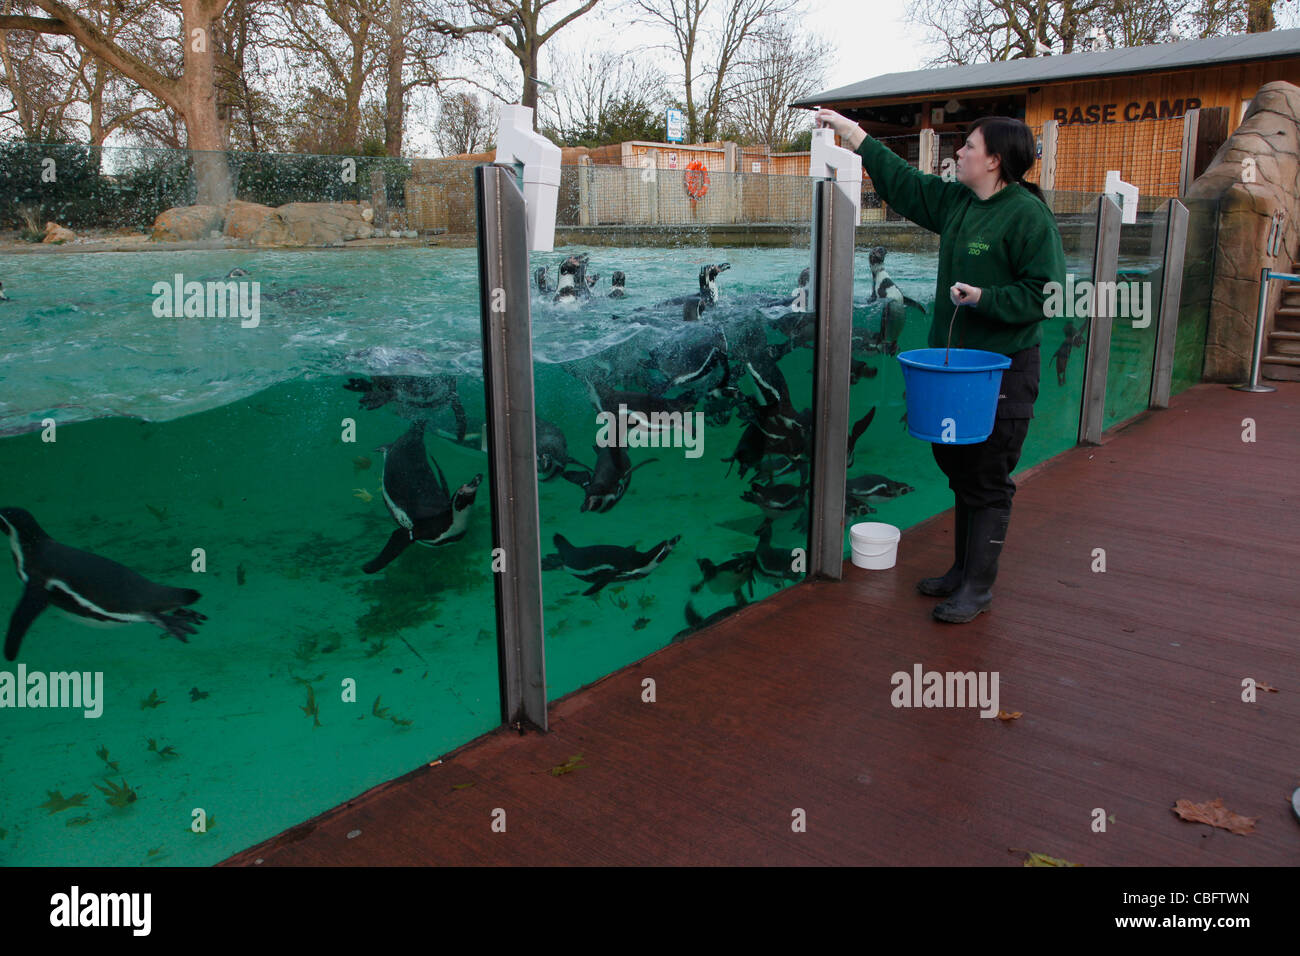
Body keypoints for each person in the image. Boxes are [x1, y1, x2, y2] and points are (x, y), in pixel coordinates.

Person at [813, 107, 1066, 624]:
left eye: (969, 147)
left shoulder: (1026, 215)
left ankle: (978, 586)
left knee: (988, 475)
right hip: (955, 370)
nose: (960, 153)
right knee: (958, 467)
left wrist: (985, 297)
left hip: (1003, 369)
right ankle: (960, 570)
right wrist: (853, 134)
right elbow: (904, 183)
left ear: (995, 161)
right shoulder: (958, 203)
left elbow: (1048, 293)